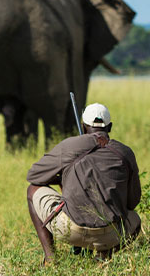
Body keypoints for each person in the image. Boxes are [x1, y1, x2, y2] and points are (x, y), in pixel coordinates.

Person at [26, 103, 142, 265]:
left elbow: (34, 176)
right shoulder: (125, 152)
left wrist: (61, 178)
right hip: (111, 235)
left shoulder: (69, 146)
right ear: (110, 127)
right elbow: (133, 202)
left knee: (32, 190)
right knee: (135, 220)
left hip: (68, 230)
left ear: (83, 126)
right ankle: (103, 257)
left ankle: (51, 259)